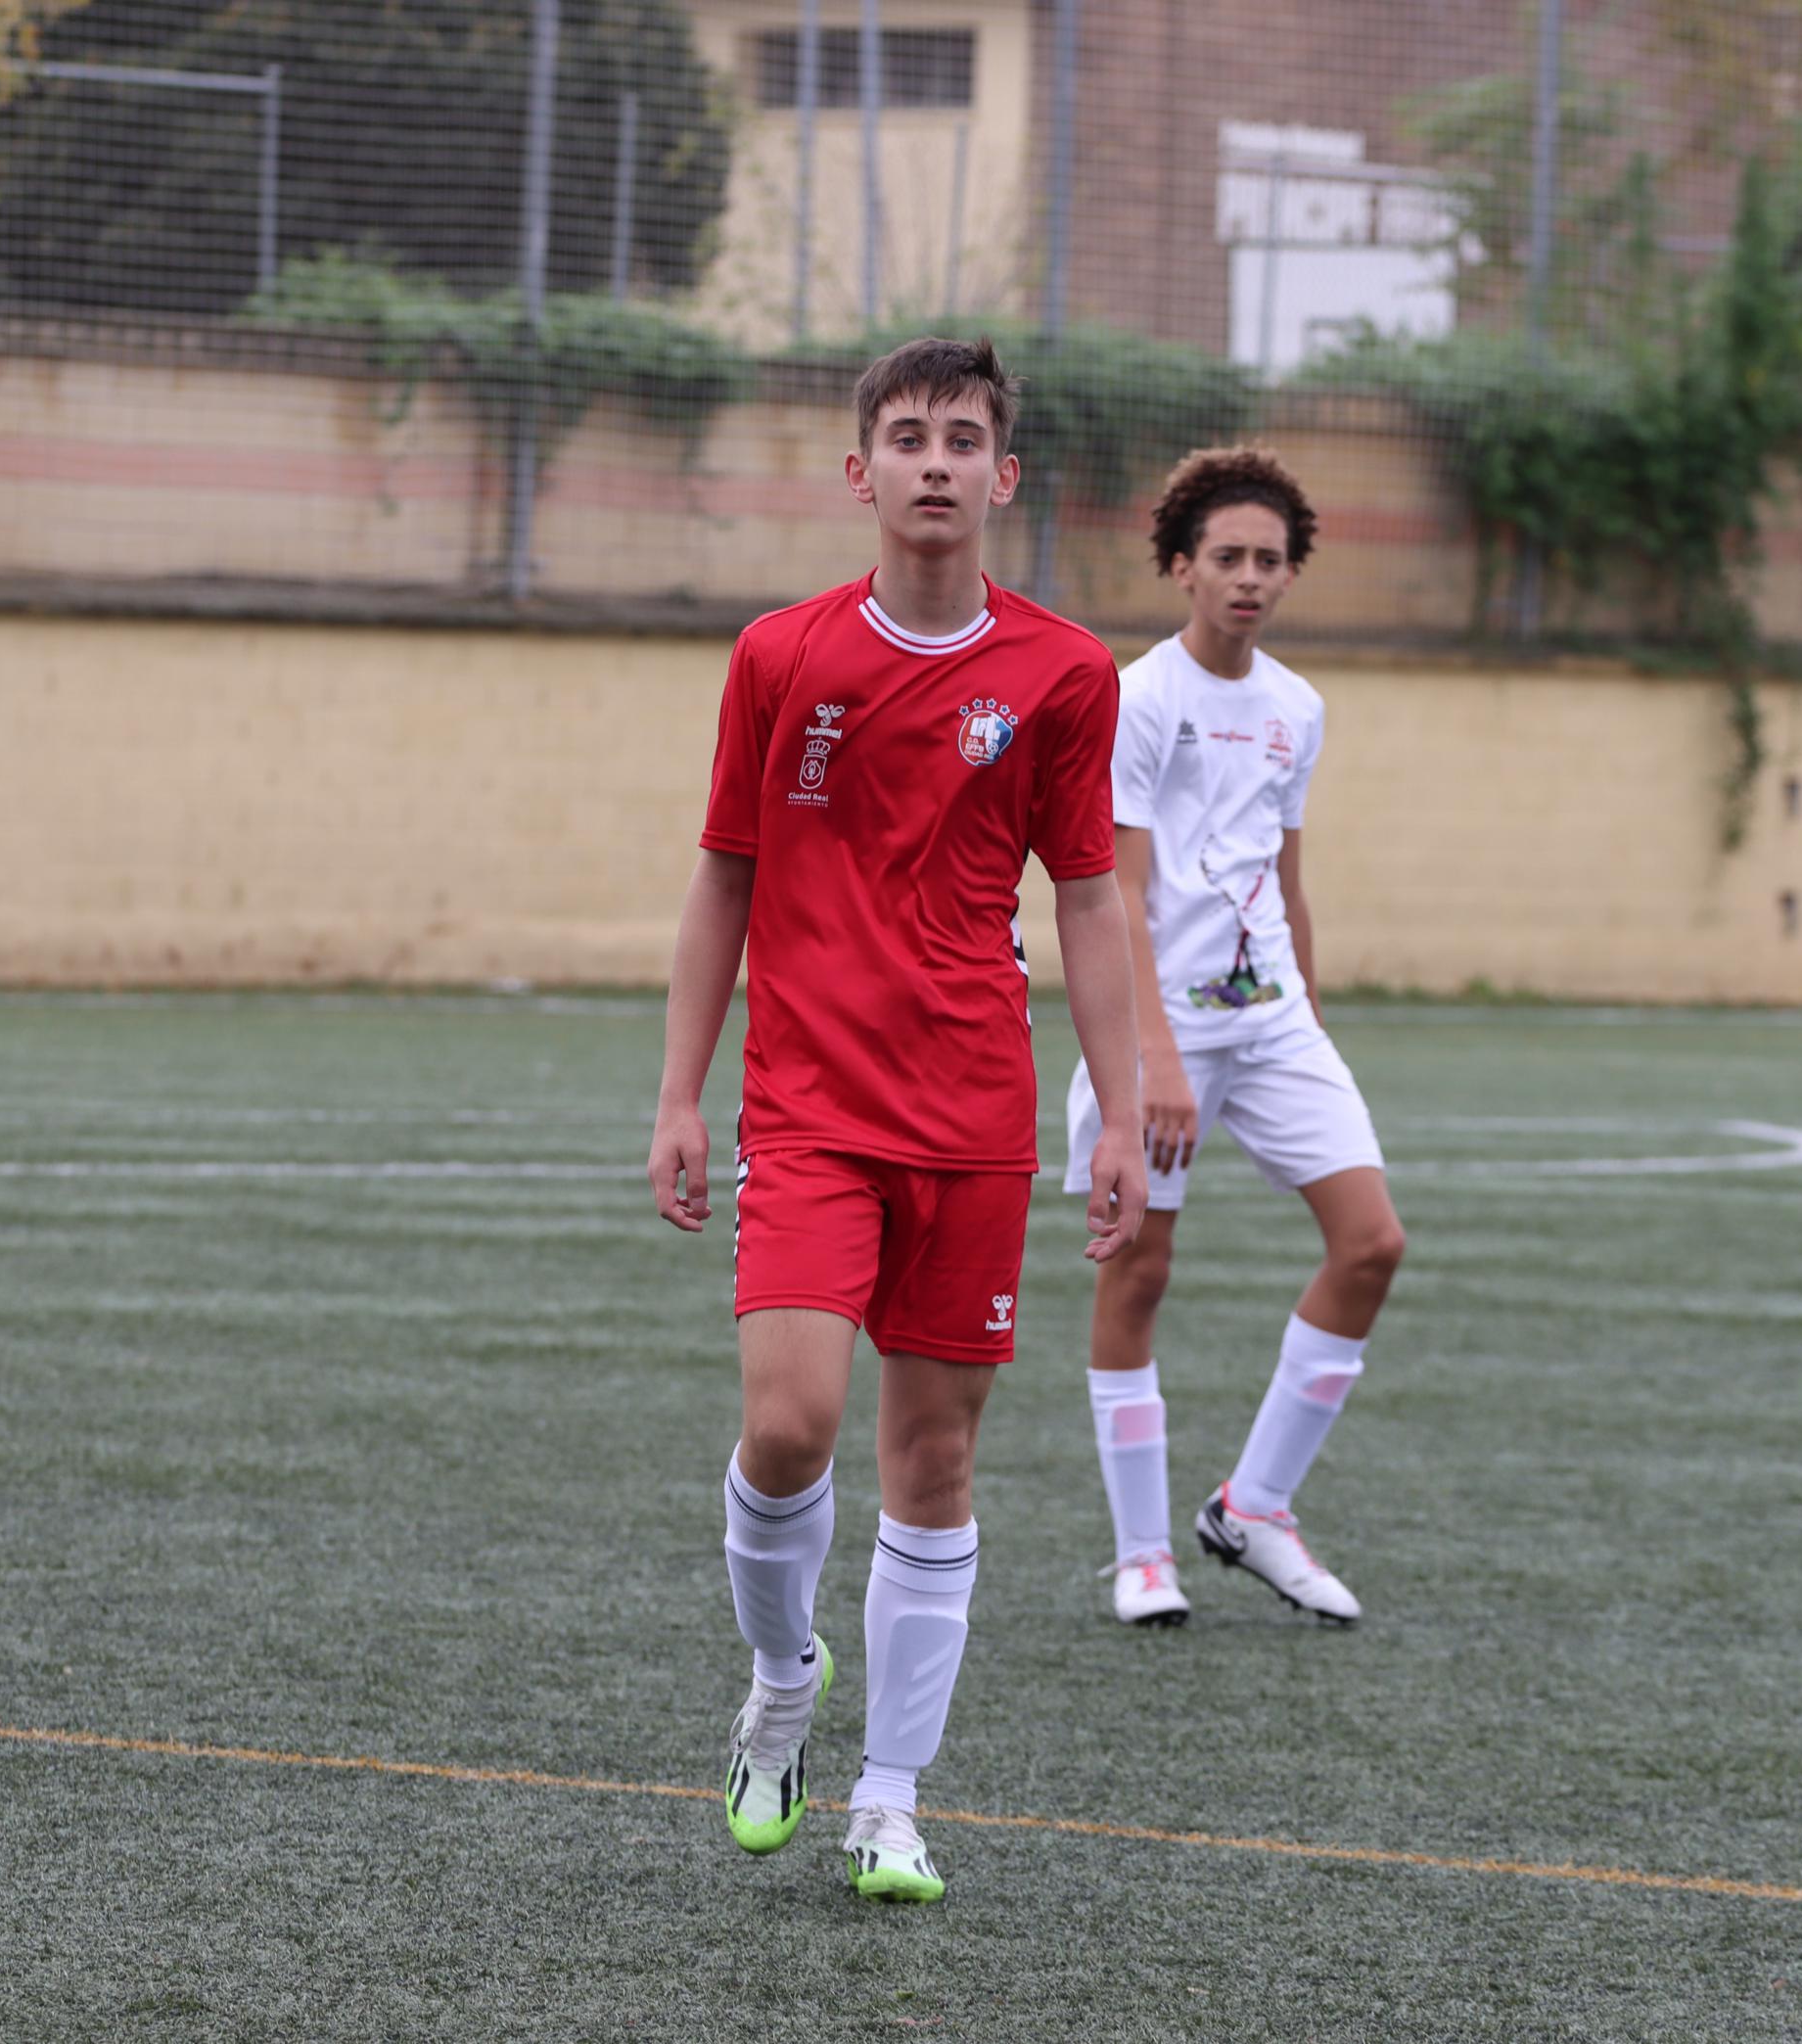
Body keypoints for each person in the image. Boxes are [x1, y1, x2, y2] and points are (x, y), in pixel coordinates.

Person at [647, 336, 1150, 1904]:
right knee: (790, 1425)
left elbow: (1089, 898)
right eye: (911, 436)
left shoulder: (1065, 673)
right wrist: (679, 1092)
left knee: (933, 1458)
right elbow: (725, 874)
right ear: (860, 472)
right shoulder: (781, 656)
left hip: (976, 1118)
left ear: (1005, 477)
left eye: (966, 439)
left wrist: (1121, 1110)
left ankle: (889, 1800)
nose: (938, 461)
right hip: (807, 1110)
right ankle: (781, 1682)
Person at [1061, 446, 1407, 1629]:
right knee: (1139, 1271)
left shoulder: (1297, 708)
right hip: (1159, 1027)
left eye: (1270, 559)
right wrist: (1152, 1058)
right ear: (1181, 568)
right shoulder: (1139, 699)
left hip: (1273, 1025)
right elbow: (1114, 888)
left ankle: (1253, 1508)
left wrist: (1309, 1012)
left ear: (1291, 573)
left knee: (1372, 1244)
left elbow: (1285, 877)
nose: (1250, 577)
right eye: (1227, 557)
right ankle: (1141, 1555)